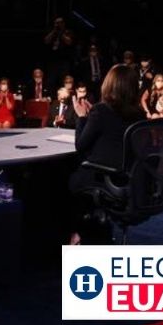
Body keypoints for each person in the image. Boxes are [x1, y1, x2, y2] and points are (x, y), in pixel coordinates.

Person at [68, 65, 146, 245]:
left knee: (70, 179)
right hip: (131, 181)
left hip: (106, 179)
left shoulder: (101, 110)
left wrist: (81, 117)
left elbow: (81, 146)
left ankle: (78, 234)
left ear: (108, 85)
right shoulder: (140, 115)